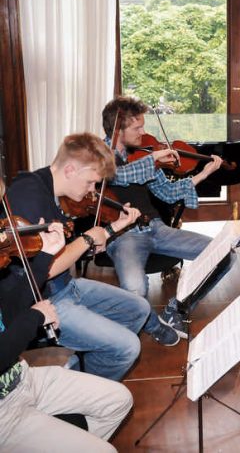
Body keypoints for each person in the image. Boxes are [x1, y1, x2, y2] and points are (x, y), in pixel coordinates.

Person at [6, 132, 151, 381]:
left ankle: (82, 367)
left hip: (65, 287)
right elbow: (45, 269)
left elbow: (66, 250)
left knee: (139, 309)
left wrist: (111, 229)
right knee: (127, 347)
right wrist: (87, 240)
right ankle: (82, 395)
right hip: (42, 301)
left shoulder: (50, 187)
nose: (92, 191)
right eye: (90, 182)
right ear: (71, 169)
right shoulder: (27, 195)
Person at [0, 181, 132, 452]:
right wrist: (35, 317)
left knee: (119, 399)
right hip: (3, 414)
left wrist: (44, 256)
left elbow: (8, 314)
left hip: (22, 378)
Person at [102, 96, 225, 346]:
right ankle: (153, 325)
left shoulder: (142, 156)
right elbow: (117, 176)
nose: (143, 132)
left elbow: (167, 193)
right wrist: (154, 159)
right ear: (118, 130)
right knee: (135, 290)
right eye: (137, 128)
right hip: (123, 236)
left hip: (156, 228)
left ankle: (176, 310)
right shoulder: (98, 156)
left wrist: (203, 174)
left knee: (222, 253)